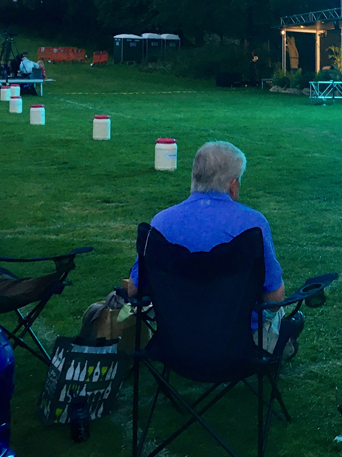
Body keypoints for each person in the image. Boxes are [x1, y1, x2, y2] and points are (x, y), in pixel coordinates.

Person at [128, 141, 303, 357]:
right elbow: (275, 297)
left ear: (194, 177)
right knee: (283, 315)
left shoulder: (161, 222)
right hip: (237, 347)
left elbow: (134, 290)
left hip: (176, 343)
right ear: (232, 185)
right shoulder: (252, 224)